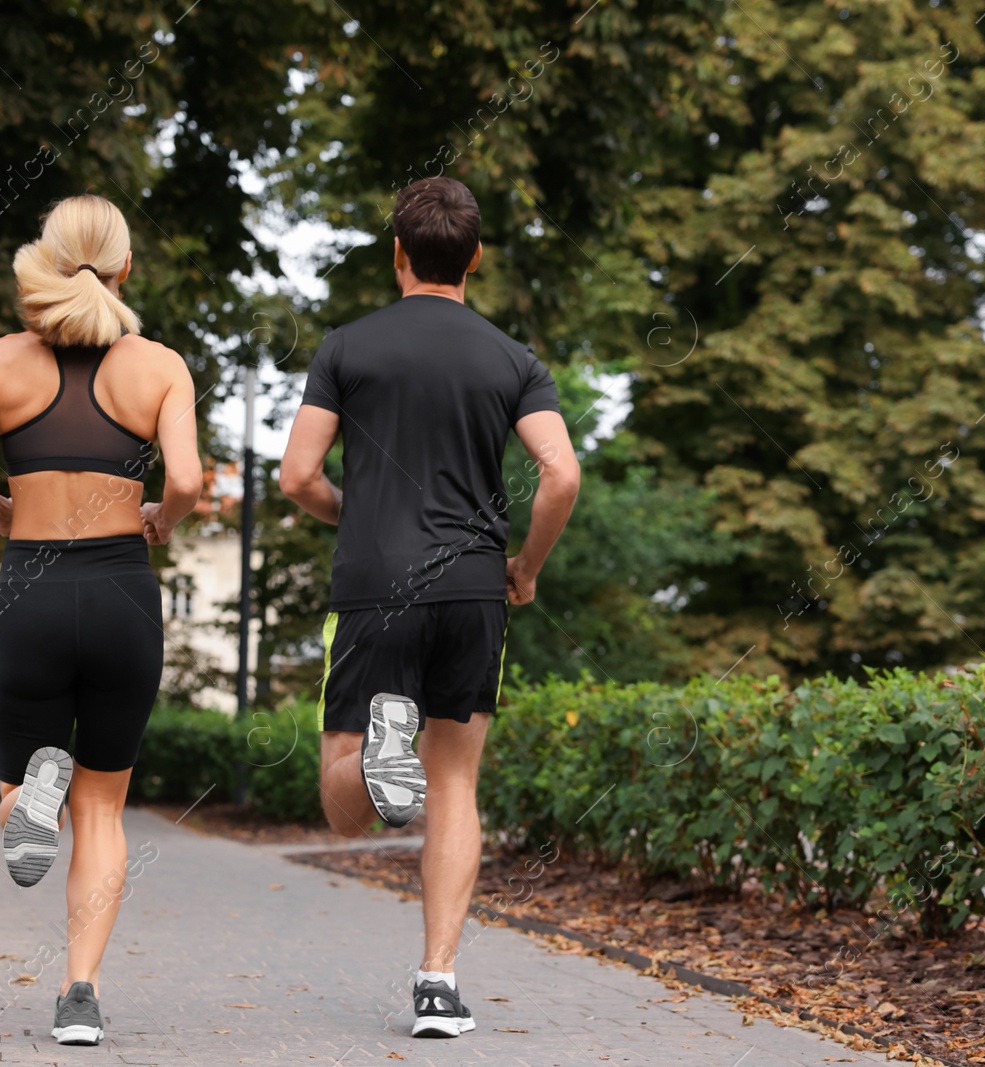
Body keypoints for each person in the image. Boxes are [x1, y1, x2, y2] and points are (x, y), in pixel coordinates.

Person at [279, 176, 581, 1039]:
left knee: (344, 804)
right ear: (474, 258)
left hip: (374, 582)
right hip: (473, 586)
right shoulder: (514, 360)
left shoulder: (347, 346)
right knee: (453, 783)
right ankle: (439, 983)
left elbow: (297, 475)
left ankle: (379, 749)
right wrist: (523, 563)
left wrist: (358, 514)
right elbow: (561, 474)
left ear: (399, 254)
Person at [0, 194, 201, 1047]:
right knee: (106, 810)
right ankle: (80, 994)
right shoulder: (160, 366)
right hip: (124, 592)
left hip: (33, 589)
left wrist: (5, 512)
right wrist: (160, 516)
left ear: (47, 263)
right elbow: (192, 484)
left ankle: (30, 795)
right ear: (127, 268)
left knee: (30, 782)